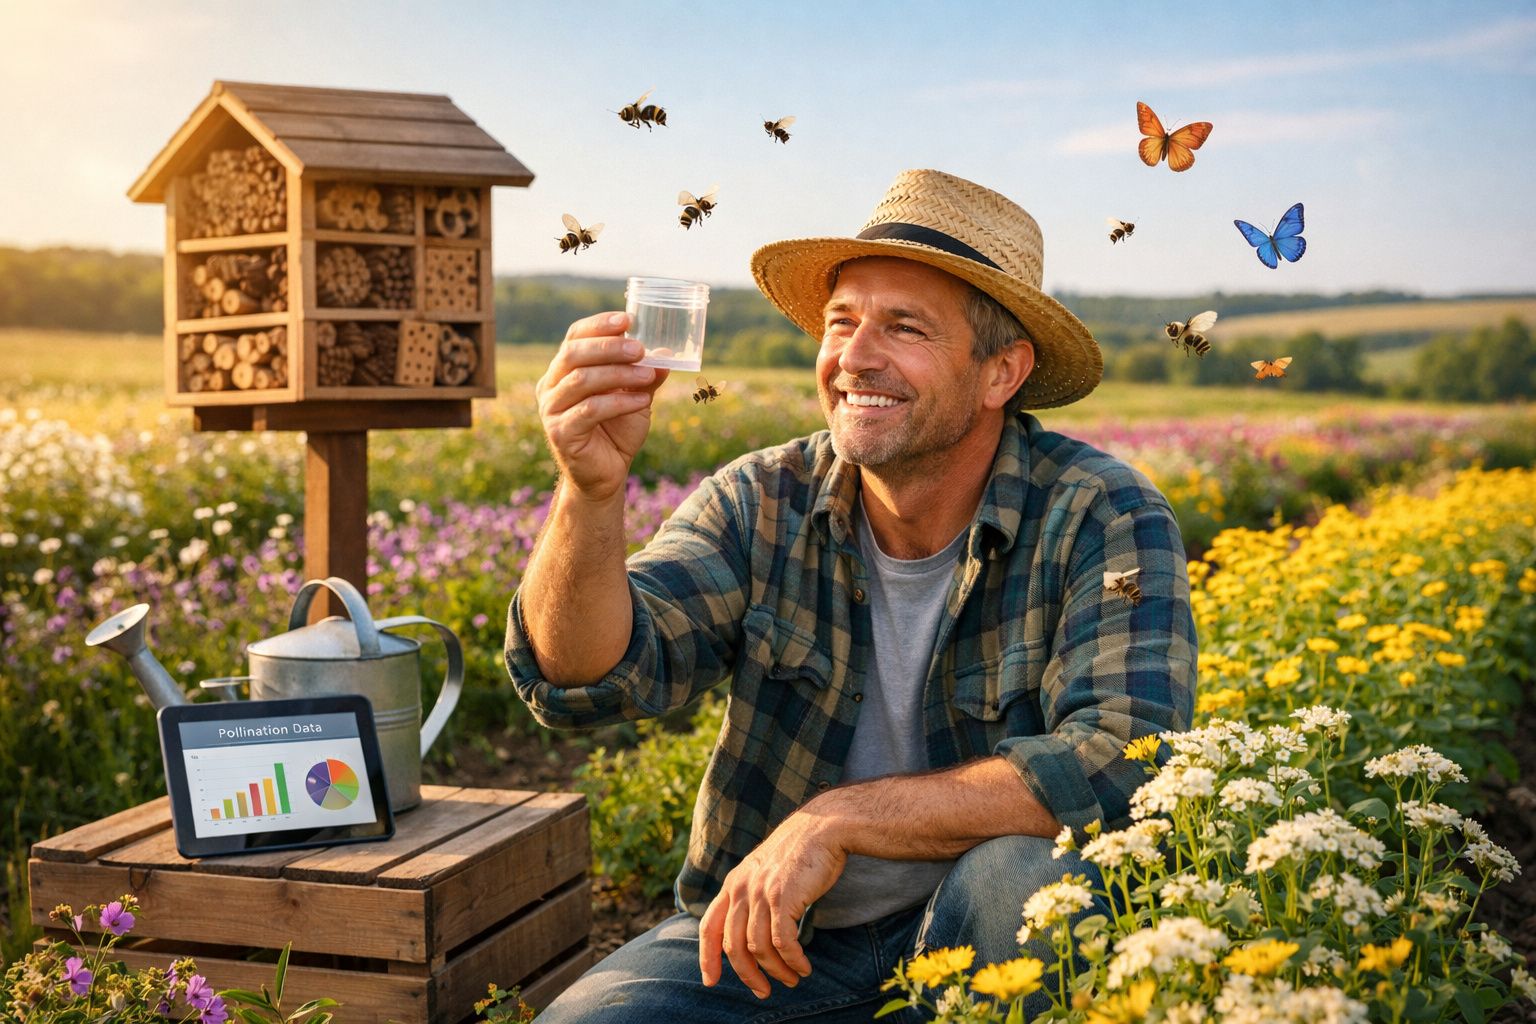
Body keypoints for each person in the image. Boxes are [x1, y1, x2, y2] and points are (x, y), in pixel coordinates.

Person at [505, 169, 1196, 1022]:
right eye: (842, 321)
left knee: (1030, 878)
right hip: (775, 940)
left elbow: (1128, 760)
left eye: (903, 327)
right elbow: (586, 678)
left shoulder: (1101, 515)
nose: (853, 356)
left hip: (975, 936)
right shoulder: (762, 499)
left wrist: (841, 818)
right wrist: (587, 494)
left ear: (1001, 373)